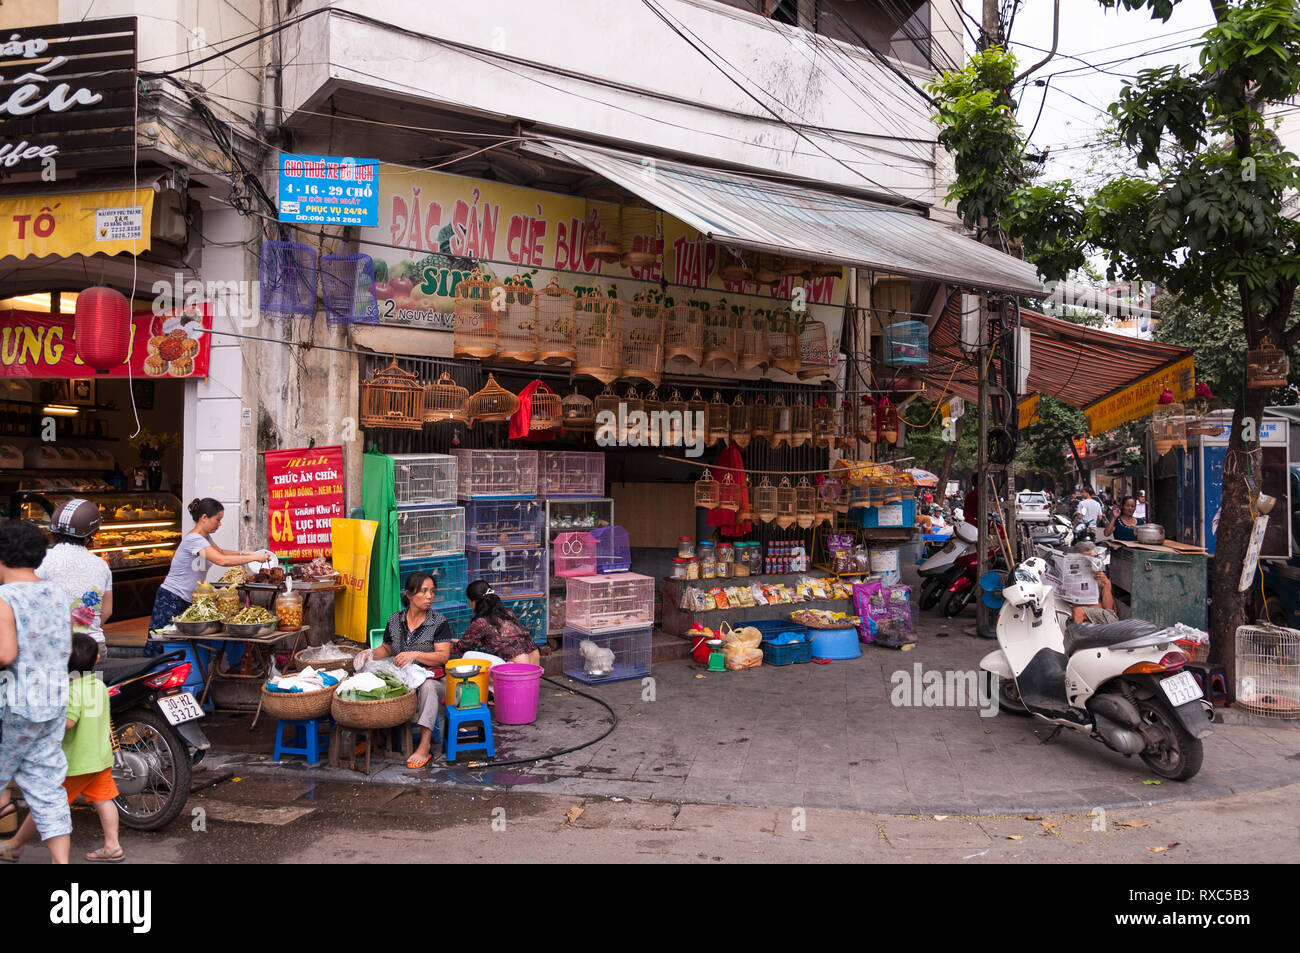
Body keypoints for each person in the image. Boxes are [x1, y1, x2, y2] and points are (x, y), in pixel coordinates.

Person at [1, 634, 122, 862]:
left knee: (45, 804)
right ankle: (112, 845)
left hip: (76, 763)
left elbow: (68, 723)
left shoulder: (72, 691)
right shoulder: (99, 685)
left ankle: (15, 844)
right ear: (97, 659)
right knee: (104, 801)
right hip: (101, 758)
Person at [0, 519, 72, 864]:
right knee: (47, 785)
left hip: (13, 704)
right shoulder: (57, 594)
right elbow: (67, 646)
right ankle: (61, 864)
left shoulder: (4, 597)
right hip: (54, 701)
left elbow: (6, 654)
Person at [354, 572, 452, 770]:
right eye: (424, 591)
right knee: (368, 679)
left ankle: (424, 745)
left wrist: (415, 654)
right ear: (409, 594)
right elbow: (387, 649)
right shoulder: (394, 621)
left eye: (432, 591)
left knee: (428, 687)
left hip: (434, 678)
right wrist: (369, 654)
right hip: (403, 677)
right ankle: (372, 737)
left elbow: (443, 656)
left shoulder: (438, 622)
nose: (429, 596)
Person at [148, 498, 272, 652]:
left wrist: (244, 553)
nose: (220, 524)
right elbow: (221, 560)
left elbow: (219, 552)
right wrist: (253, 558)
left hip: (187, 599)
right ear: (204, 517)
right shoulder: (194, 539)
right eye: (218, 520)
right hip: (172, 598)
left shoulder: (204, 537)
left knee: (182, 645)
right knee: (161, 644)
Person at [37, 499, 113, 654]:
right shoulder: (101, 564)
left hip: (52, 645)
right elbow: (107, 611)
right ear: (92, 534)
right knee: (91, 679)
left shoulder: (41, 558)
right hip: (92, 647)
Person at [455, 580, 540, 667]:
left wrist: (456, 644)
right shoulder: (506, 612)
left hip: (517, 669)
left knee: (468, 655)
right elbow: (501, 639)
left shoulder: (481, 621)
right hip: (534, 663)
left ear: (474, 601)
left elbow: (462, 647)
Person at [1069, 540, 1118, 624]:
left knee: (1078, 611)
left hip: (1104, 616)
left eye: (1092, 559)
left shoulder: (1101, 577)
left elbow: (1108, 609)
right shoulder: (1071, 575)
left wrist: (1106, 583)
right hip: (1081, 614)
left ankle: (1076, 636)